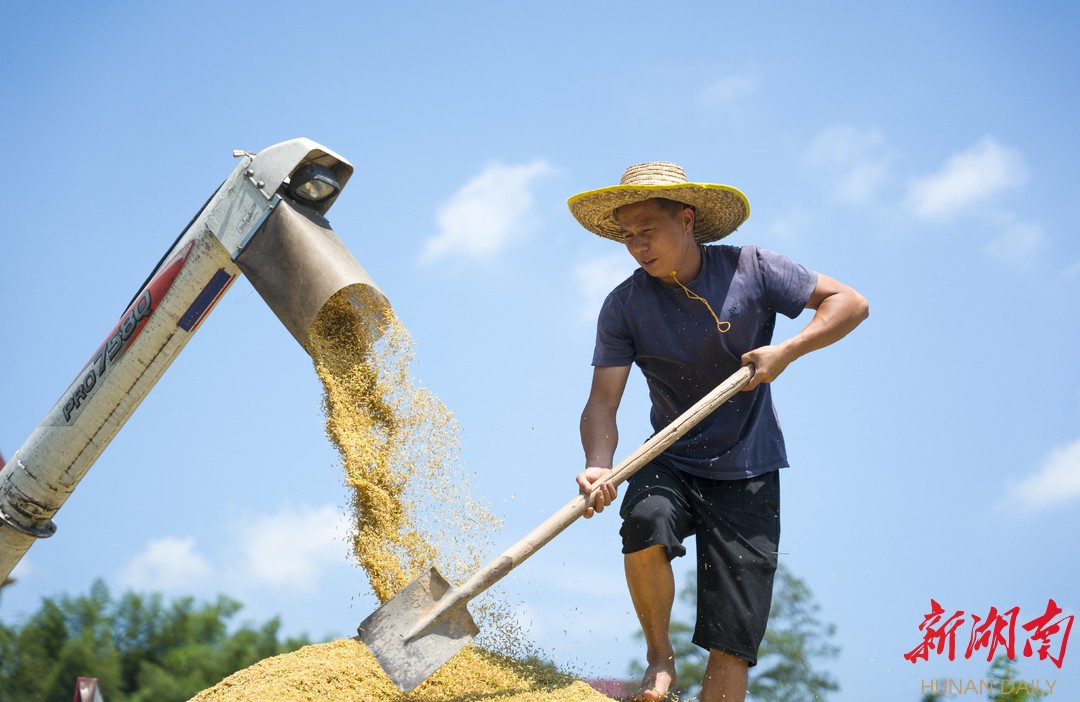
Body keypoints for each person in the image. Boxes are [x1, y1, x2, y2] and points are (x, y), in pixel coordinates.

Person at [568, 162, 868, 702]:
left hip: (749, 471)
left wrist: (787, 350)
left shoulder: (752, 268)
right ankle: (660, 660)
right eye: (627, 236)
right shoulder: (624, 305)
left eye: (647, 230)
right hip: (671, 459)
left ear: (686, 219)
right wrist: (598, 462)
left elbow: (851, 303)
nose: (637, 246)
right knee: (644, 519)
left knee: (732, 640)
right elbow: (602, 402)